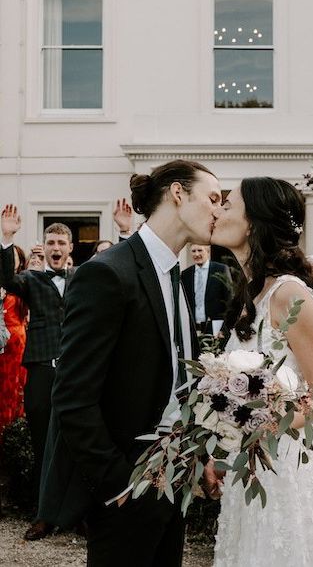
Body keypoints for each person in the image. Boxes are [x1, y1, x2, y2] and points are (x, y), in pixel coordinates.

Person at [38, 159, 221, 567]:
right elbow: (72, 397)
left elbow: (177, 383)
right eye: (212, 199)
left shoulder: (175, 275)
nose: (218, 210)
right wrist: (119, 483)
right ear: (178, 194)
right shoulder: (107, 274)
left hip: (175, 478)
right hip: (125, 487)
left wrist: (201, 456)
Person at [204, 177, 313, 566]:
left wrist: (272, 424)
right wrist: (220, 449)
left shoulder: (290, 294)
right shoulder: (249, 294)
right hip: (245, 464)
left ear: (253, 222)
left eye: (228, 204)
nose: (218, 210)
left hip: (285, 463)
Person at [0, 211, 75, 541]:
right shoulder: (32, 279)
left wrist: (126, 231)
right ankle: (44, 515)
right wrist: (6, 238)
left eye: (61, 242)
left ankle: (77, 514)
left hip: (74, 370)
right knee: (43, 441)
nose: (55, 246)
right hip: (41, 367)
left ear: (70, 248)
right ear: (44, 247)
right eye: (50, 242)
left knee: (75, 440)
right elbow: (6, 279)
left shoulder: (83, 277)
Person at [0, 245, 28, 438]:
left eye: (14, 257)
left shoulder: (24, 284)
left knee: (16, 389)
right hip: (2, 342)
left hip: (17, 342)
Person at [181, 244, 232, 334]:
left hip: (216, 328)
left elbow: (230, 300)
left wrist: (225, 328)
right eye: (193, 251)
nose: (196, 254)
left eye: (200, 250)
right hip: (192, 328)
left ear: (208, 252)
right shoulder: (185, 274)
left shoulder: (221, 269)